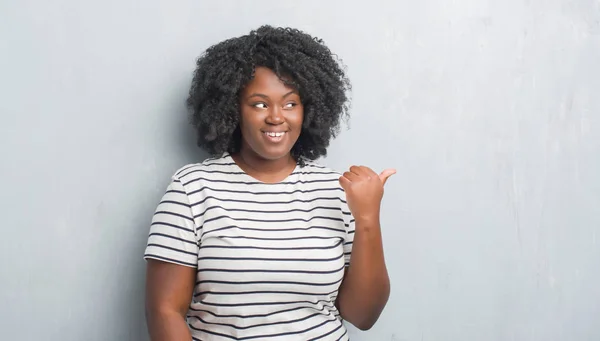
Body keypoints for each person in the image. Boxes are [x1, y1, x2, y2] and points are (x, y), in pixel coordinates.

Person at [144, 25, 395, 341]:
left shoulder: (338, 191)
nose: (277, 117)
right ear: (234, 109)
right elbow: (164, 310)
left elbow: (363, 315)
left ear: (309, 109)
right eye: (260, 103)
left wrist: (368, 218)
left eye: (291, 103)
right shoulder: (193, 189)